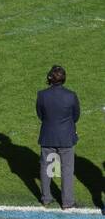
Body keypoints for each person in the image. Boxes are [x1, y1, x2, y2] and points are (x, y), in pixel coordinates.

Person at [36, 65, 80, 209]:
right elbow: (76, 116)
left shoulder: (42, 95)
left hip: (47, 136)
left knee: (46, 167)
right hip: (66, 138)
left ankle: (46, 198)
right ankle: (67, 202)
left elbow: (40, 115)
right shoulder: (71, 95)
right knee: (67, 170)